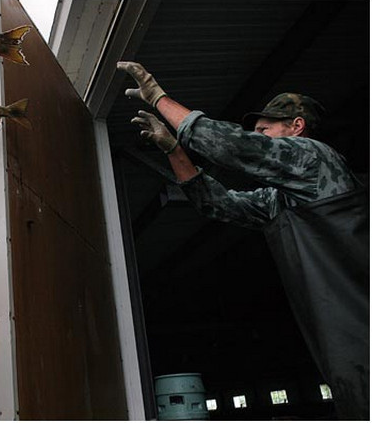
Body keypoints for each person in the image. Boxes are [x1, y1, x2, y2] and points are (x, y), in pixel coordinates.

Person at [117, 61, 369, 419]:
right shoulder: (279, 200)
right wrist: (174, 149)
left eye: (265, 130)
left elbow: (234, 147)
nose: (259, 136)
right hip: (346, 340)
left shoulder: (316, 158)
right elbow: (218, 204)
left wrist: (158, 97)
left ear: (297, 127)